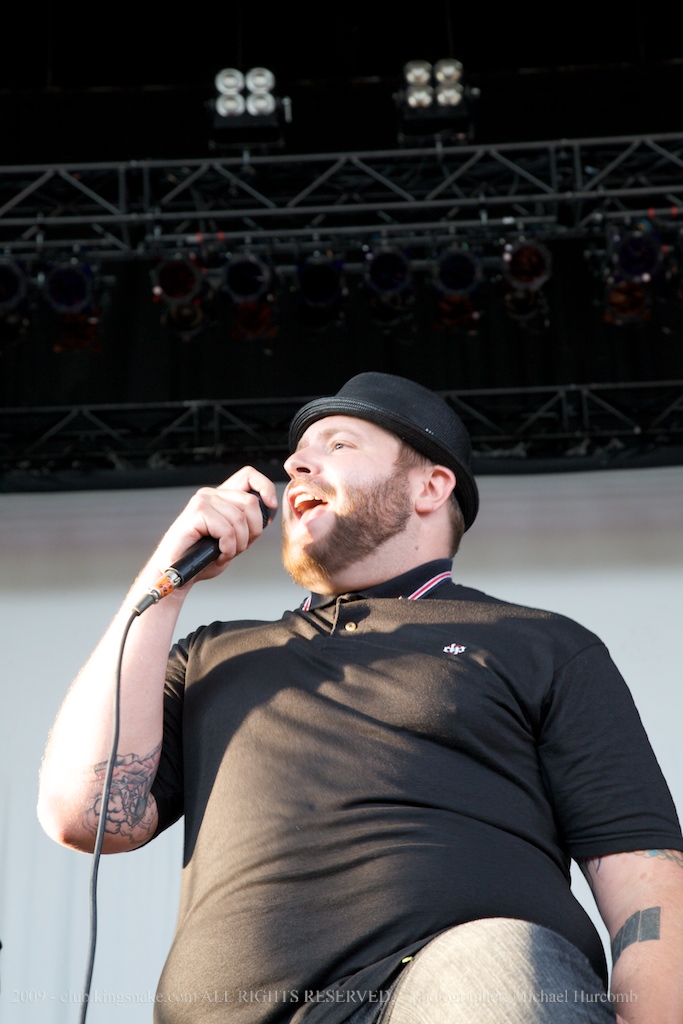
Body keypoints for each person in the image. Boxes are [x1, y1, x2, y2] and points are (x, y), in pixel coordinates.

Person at [37, 372, 683, 1024]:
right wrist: (165, 581)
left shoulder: (540, 644)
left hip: (451, 994)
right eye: (296, 455)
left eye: (339, 444)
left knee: (498, 958)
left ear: (430, 487)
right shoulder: (213, 653)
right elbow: (84, 815)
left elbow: (646, 882)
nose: (295, 465)